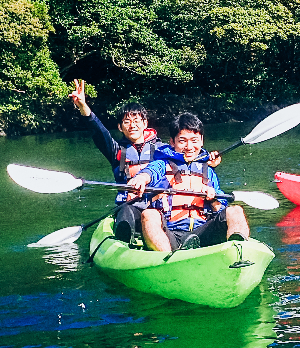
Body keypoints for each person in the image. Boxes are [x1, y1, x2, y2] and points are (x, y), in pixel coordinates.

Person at [126, 111, 247, 253]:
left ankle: (239, 252)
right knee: (149, 214)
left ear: (201, 140)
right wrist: (140, 180)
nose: (189, 147)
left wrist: (214, 199)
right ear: (172, 142)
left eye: (194, 140)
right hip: (170, 234)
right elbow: (148, 173)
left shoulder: (208, 171)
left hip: (203, 232)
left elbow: (220, 209)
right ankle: (167, 260)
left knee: (235, 210)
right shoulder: (162, 164)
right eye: (182, 141)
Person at [68, 79, 161, 243]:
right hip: (129, 207)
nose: (132, 125)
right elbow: (99, 132)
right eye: (127, 122)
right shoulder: (116, 151)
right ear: (120, 127)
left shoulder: (162, 149)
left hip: (157, 207)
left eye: (136, 121)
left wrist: (208, 160)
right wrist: (83, 107)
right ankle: (124, 243)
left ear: (145, 123)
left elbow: (187, 158)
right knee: (125, 212)